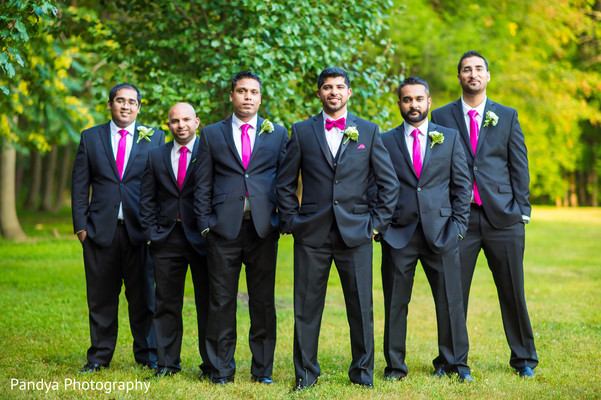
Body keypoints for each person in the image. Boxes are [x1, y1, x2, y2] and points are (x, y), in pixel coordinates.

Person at [276, 67, 399, 390]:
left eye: (340, 87)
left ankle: (362, 374)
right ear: (319, 93)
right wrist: (292, 221)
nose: (333, 92)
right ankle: (305, 374)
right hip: (311, 233)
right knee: (305, 307)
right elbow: (284, 183)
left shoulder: (369, 132)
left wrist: (375, 225)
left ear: (349, 93)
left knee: (361, 308)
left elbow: (388, 184)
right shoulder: (301, 131)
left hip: (357, 232)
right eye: (327, 87)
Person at [431, 50, 538, 377]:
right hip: (459, 220)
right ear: (459, 76)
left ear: (487, 76)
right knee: (453, 293)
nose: (472, 74)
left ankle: (523, 360)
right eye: (466, 69)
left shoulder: (506, 115)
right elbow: (435, 168)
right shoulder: (441, 117)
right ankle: (449, 361)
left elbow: (519, 164)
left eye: (478, 69)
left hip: (503, 218)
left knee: (512, 291)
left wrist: (522, 210)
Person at [194, 71, 288, 385]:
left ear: (261, 97)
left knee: (263, 302)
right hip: (223, 231)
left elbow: (285, 181)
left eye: (253, 92)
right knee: (221, 301)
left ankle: (262, 371)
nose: (248, 97)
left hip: (263, 230)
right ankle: (221, 370)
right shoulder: (211, 134)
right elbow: (202, 184)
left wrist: (281, 220)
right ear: (231, 95)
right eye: (241, 91)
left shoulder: (277, 133)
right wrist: (206, 226)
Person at [380, 77, 473, 382]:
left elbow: (462, 186)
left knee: (450, 302)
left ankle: (454, 363)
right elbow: (375, 186)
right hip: (398, 234)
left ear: (429, 102)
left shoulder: (449, 137)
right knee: (395, 304)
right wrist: (382, 226)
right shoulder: (385, 141)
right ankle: (395, 367)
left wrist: (458, 226)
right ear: (399, 104)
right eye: (407, 100)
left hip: (442, 232)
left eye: (419, 99)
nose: (414, 105)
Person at [71, 83, 164, 372]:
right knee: (101, 298)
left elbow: (163, 185)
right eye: (120, 101)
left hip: (141, 232)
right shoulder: (90, 138)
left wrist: (157, 229)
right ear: (110, 104)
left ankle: (148, 355)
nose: (125, 106)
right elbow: (78, 185)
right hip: (99, 232)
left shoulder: (156, 138)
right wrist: (80, 228)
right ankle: (99, 357)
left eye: (131, 102)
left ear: (139, 106)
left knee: (144, 298)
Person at [139, 102, 214, 378]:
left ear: (197, 122)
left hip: (203, 239)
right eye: (174, 121)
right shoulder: (155, 155)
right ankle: (167, 363)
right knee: (166, 303)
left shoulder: (210, 153)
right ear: (167, 125)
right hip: (166, 238)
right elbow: (146, 198)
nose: (180, 125)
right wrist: (151, 232)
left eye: (186, 120)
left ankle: (211, 365)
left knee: (208, 303)